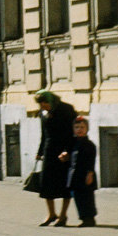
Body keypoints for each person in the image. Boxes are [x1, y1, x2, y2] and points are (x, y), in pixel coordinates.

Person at [33, 90, 76, 226]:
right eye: (40, 104)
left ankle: (63, 215)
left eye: (44, 103)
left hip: (64, 151)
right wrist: (40, 152)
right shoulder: (43, 113)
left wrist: (68, 151)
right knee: (46, 184)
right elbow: (44, 134)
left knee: (64, 185)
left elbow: (73, 132)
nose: (42, 106)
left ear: (51, 101)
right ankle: (51, 214)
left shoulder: (66, 109)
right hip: (49, 150)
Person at [67, 115, 99, 227]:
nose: (79, 129)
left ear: (87, 129)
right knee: (78, 197)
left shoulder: (89, 145)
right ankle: (84, 217)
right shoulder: (75, 143)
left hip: (85, 175)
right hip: (75, 175)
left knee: (87, 197)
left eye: (82, 127)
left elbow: (91, 160)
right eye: (77, 127)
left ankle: (89, 218)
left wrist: (90, 174)